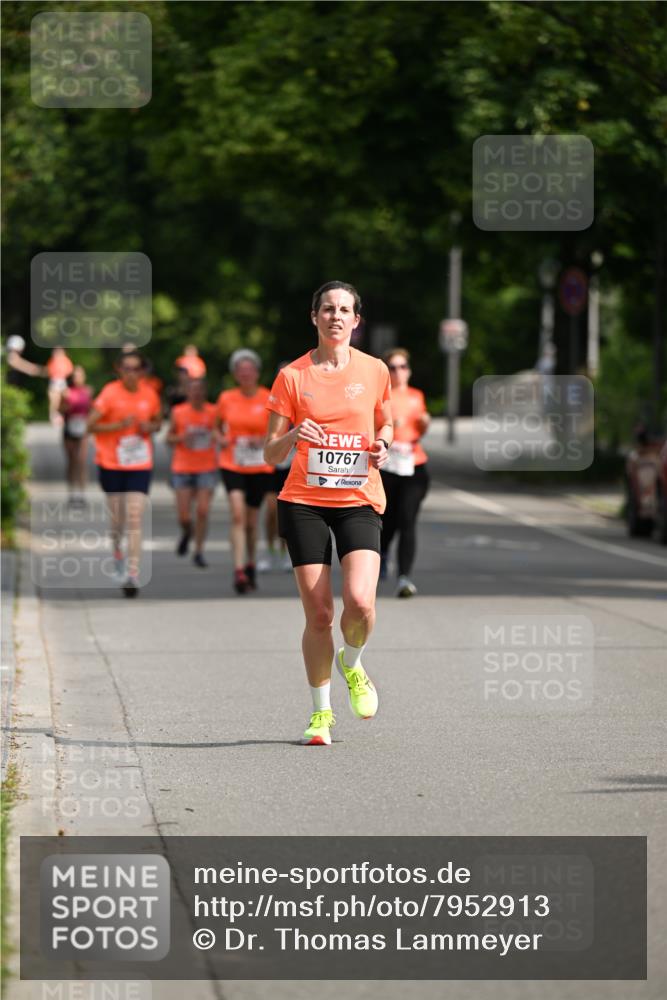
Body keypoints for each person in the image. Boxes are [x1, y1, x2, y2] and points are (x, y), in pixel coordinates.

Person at [264, 281, 393, 746]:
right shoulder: (293, 376)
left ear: (356, 320)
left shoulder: (376, 370)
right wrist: (296, 433)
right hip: (304, 502)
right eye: (327, 309)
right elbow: (268, 453)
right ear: (314, 317)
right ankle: (321, 715)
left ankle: (352, 663)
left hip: (358, 498)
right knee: (319, 615)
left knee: (360, 603)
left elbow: (386, 420)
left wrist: (385, 443)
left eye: (345, 310)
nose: (336, 316)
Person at [87, 351, 161, 597]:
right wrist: (118, 426)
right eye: (127, 368)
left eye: (136, 368)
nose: (131, 373)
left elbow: (158, 422)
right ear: (119, 370)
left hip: (139, 463)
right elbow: (90, 425)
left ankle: (132, 571)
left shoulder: (149, 394)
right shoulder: (110, 393)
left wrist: (148, 427)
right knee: (118, 519)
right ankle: (118, 552)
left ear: (142, 371)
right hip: (111, 463)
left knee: (135, 516)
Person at [216, 349, 274, 593]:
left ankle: (250, 561)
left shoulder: (268, 397)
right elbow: (216, 427)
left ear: (257, 373)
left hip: (260, 465)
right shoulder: (227, 398)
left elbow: (279, 430)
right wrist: (219, 438)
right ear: (235, 374)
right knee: (237, 515)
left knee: (252, 522)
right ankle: (238, 569)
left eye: (250, 371)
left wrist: (263, 439)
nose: (246, 375)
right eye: (241, 371)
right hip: (233, 463)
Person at [379, 348, 431, 597]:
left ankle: (404, 577)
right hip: (387, 466)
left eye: (403, 367)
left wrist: (424, 424)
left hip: (413, 464)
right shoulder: (380, 395)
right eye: (393, 367)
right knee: (388, 520)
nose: (398, 372)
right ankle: (383, 553)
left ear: (409, 371)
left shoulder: (416, 395)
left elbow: (419, 432)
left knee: (407, 519)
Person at [167, 377, 218, 567]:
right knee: (184, 516)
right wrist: (181, 437)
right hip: (182, 467)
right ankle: (187, 532)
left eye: (200, 390)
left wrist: (217, 436)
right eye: (193, 390)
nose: (196, 394)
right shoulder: (178, 412)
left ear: (204, 393)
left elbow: (221, 433)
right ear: (187, 393)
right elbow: (168, 438)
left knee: (203, 511)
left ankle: (198, 551)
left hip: (206, 467)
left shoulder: (214, 412)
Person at [258, 361, 294, 573]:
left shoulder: (304, 398)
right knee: (272, 510)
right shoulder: (269, 399)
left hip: (293, 463)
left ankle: (286, 551)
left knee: (287, 511)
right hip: (271, 463)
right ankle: (270, 550)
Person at [59, 365, 93, 506]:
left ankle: (82, 493)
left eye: (80, 375)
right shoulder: (66, 392)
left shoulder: (88, 391)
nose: (77, 378)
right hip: (69, 427)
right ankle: (72, 493)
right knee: (72, 461)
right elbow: (60, 410)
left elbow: (93, 409)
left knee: (82, 461)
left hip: (83, 428)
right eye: (75, 376)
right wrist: (65, 404)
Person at [47, 348, 74, 425]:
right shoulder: (53, 360)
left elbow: (70, 371)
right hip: (55, 380)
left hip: (62, 381)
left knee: (67, 398)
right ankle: (53, 416)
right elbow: (50, 371)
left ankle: (62, 415)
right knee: (54, 400)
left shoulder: (66, 360)